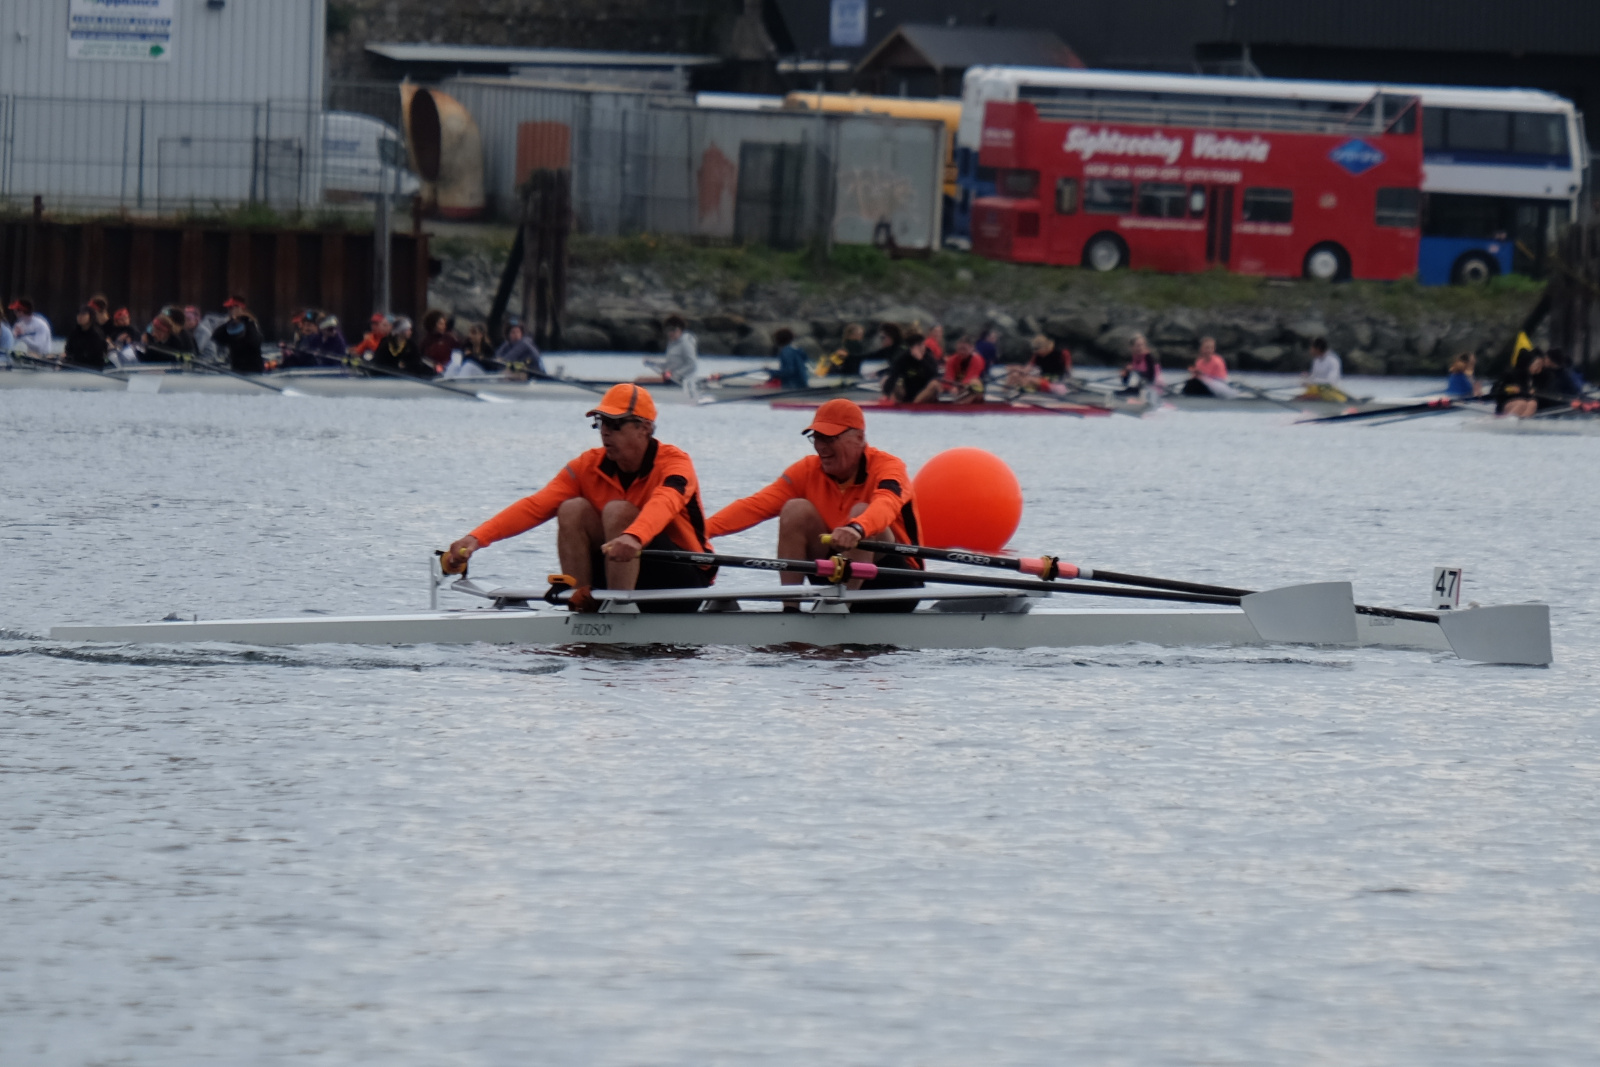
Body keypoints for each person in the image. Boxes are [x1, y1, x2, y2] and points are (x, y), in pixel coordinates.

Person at [440, 384, 716, 611]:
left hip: (684, 579)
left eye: (615, 423)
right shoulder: (587, 466)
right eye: (601, 422)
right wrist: (476, 539)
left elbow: (665, 503)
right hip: (623, 569)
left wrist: (634, 536)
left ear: (644, 428)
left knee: (617, 511)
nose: (605, 431)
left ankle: (616, 613)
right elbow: (535, 506)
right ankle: (582, 604)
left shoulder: (676, 464)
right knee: (572, 509)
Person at [706, 398, 923, 613]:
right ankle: (790, 611)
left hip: (897, 581)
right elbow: (753, 507)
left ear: (859, 437)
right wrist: (701, 533)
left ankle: (840, 610)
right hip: (837, 572)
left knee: (862, 512)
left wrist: (857, 528)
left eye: (830, 438)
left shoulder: (889, 468)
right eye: (817, 438)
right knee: (795, 510)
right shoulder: (807, 471)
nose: (821, 447)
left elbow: (886, 504)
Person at [642, 314, 703, 400]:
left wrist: (675, 374)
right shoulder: (672, 344)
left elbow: (692, 365)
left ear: (680, 329)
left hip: (683, 383)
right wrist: (653, 362)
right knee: (641, 379)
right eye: (668, 330)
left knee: (644, 382)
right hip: (671, 380)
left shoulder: (686, 342)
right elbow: (668, 365)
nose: (670, 333)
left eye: (673, 330)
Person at [916, 334, 986, 404]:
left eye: (964, 349)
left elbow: (970, 378)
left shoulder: (977, 359)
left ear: (972, 348)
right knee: (934, 383)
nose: (961, 352)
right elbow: (949, 377)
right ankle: (914, 406)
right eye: (959, 349)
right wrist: (951, 387)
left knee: (975, 383)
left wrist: (957, 387)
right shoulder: (952, 359)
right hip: (954, 388)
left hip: (969, 390)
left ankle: (958, 408)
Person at [882, 329, 939, 403]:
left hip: (925, 394)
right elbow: (893, 376)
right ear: (911, 348)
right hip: (908, 392)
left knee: (934, 384)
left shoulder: (928, 357)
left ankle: (914, 404)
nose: (922, 348)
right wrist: (888, 392)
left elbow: (934, 375)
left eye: (922, 345)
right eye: (918, 346)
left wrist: (921, 360)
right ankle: (893, 404)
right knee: (885, 380)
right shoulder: (904, 359)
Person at [212, 296, 264, 374]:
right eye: (229, 308)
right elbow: (216, 337)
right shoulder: (230, 326)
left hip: (254, 370)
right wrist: (230, 322)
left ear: (240, 308)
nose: (229, 311)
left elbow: (255, 342)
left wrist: (243, 319)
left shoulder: (251, 323)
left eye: (231, 308)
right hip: (236, 369)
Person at [1007, 334, 1071, 392]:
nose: (1036, 352)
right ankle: (1004, 393)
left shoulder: (1062, 353)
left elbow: (1067, 371)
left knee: (1029, 379)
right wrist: (1015, 369)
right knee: (1014, 375)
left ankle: (1026, 393)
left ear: (1045, 347)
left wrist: (1067, 380)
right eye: (1035, 350)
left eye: (1037, 349)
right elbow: (1026, 370)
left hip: (1056, 382)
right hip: (1043, 379)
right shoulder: (1036, 356)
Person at [1298, 337, 1347, 402]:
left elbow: (1331, 381)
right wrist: (1307, 379)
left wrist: (1312, 382)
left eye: (1311, 348)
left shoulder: (1333, 360)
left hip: (1330, 390)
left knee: (1307, 396)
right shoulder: (1316, 360)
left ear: (1317, 349)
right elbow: (1314, 377)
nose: (1310, 350)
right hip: (1317, 389)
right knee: (1300, 397)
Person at [1117, 332, 1162, 397]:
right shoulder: (1129, 359)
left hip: (1153, 390)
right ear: (1131, 347)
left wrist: (1136, 371)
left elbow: (1152, 378)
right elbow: (1125, 382)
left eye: (1142, 345)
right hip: (1136, 390)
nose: (1140, 348)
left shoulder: (1150, 358)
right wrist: (1126, 373)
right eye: (1138, 345)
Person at [419, 309, 460, 374]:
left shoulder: (450, 338)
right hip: (431, 373)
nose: (444, 326)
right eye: (441, 324)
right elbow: (423, 358)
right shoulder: (426, 341)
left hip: (449, 372)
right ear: (433, 325)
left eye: (444, 324)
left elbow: (457, 353)